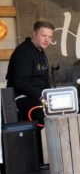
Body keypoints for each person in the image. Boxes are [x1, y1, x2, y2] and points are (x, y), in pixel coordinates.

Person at [6, 20, 54, 166]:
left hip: (40, 96)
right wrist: (43, 95)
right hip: (22, 97)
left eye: (50, 37)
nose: (47, 39)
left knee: (76, 108)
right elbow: (21, 83)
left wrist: (51, 96)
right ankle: (41, 160)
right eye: (43, 35)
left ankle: (61, 154)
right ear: (34, 34)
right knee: (41, 114)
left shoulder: (41, 52)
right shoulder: (23, 52)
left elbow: (43, 82)